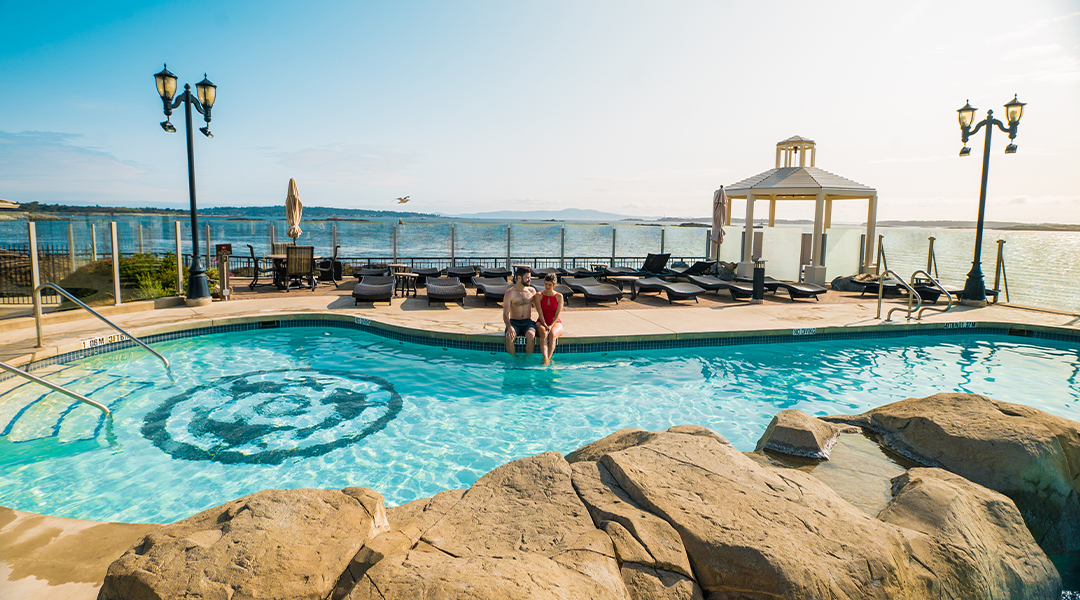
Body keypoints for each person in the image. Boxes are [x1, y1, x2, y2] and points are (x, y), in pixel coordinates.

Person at [502, 266, 536, 356]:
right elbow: (505, 314)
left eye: (530, 277)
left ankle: (527, 359)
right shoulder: (510, 293)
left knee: (531, 335)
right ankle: (513, 359)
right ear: (519, 278)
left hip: (527, 322)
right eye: (527, 278)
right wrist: (509, 327)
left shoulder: (532, 291)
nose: (529, 280)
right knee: (509, 337)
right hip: (514, 322)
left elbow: (539, 309)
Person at [533, 272, 565, 365]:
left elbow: (557, 314)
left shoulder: (559, 296)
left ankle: (548, 358)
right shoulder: (539, 295)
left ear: (554, 285)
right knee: (544, 334)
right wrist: (544, 324)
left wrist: (551, 325)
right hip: (541, 321)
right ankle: (545, 358)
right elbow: (540, 312)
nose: (547, 286)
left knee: (553, 334)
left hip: (555, 322)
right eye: (546, 284)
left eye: (550, 285)